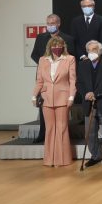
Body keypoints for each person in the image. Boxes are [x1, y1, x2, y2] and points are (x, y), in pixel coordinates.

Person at [30, 13, 75, 144]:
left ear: (58, 24)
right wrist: (46, 64)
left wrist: (58, 64)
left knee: (61, 114)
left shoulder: (68, 38)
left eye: (53, 23)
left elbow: (71, 55)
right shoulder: (40, 37)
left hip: (61, 78)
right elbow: (34, 54)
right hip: (45, 77)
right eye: (48, 24)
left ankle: (61, 138)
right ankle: (43, 134)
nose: (50, 26)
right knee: (44, 106)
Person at [32, 36, 76, 167]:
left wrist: (71, 97)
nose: (56, 48)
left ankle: (62, 159)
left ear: (63, 46)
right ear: (49, 47)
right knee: (50, 128)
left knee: (62, 128)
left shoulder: (69, 59)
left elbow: (72, 80)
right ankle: (49, 159)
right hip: (46, 98)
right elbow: (39, 81)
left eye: (59, 45)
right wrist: (34, 96)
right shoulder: (42, 60)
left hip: (63, 98)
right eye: (54, 45)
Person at [76, 40, 102, 167]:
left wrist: (96, 93)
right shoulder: (83, 64)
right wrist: (86, 93)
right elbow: (79, 83)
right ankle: (95, 156)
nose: (90, 52)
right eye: (88, 50)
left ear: (100, 51)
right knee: (90, 133)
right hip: (89, 103)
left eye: (93, 49)